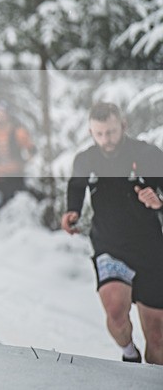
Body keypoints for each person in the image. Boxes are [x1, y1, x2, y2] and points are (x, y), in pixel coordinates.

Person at [61, 102, 163, 364]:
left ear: (123, 126)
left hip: (151, 250)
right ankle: (129, 353)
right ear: (91, 132)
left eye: (111, 132)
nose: (106, 139)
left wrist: (158, 200)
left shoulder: (148, 154)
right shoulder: (86, 160)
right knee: (116, 314)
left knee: (158, 337)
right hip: (109, 246)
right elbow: (76, 188)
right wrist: (72, 212)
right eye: (100, 134)